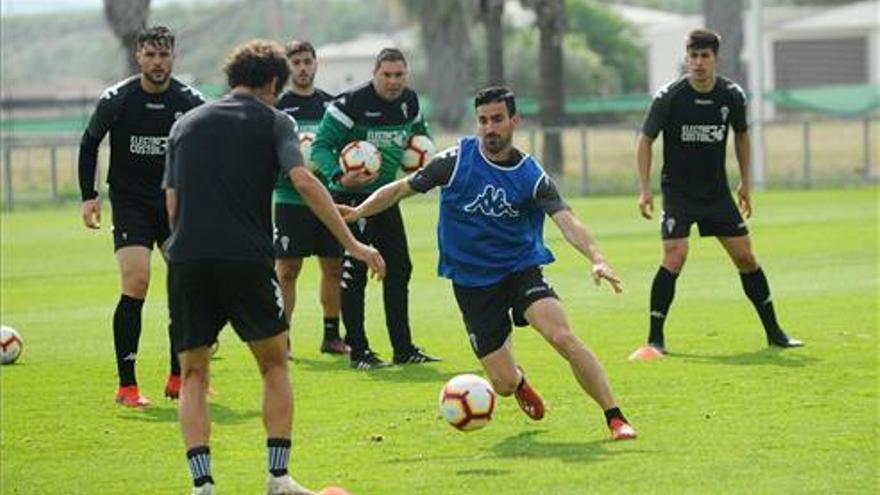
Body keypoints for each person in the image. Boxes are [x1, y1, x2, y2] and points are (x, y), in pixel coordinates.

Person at [340, 86, 638, 441]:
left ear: (515, 121)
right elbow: (400, 189)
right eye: (483, 120)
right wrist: (358, 211)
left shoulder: (530, 175)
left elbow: (568, 221)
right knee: (504, 383)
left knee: (562, 336)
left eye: (497, 119)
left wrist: (598, 260)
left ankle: (615, 417)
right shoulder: (454, 161)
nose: (489, 128)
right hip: (472, 284)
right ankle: (520, 379)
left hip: (520, 269)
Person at [163, 40, 385, 495]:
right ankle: (278, 477)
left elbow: (172, 201)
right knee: (275, 363)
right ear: (271, 83)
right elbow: (303, 180)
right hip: (244, 258)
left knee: (193, 374)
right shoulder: (274, 120)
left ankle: (202, 485)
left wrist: (185, 247)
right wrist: (353, 242)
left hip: (186, 258)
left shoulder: (185, 123)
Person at [633, 28, 803, 359]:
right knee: (674, 257)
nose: (698, 63)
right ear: (687, 58)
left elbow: (741, 136)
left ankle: (775, 333)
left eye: (704, 56)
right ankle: (655, 339)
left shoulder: (732, 95)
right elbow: (645, 140)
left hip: (716, 193)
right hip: (679, 193)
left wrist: (745, 183)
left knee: (746, 258)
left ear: (715, 59)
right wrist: (644, 188)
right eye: (693, 56)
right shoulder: (669, 96)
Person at [78, 25, 204, 407]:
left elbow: (208, 148)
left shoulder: (191, 100)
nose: (157, 62)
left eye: (164, 55)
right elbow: (89, 143)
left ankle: (177, 377)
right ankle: (127, 386)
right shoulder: (117, 99)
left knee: (186, 287)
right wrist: (89, 196)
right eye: (150, 55)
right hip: (131, 204)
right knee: (137, 281)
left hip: (174, 205)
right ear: (139, 57)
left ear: (173, 58)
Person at [312, 47, 439, 369]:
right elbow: (321, 146)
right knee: (354, 274)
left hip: (386, 199)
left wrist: (420, 157)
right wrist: (339, 175)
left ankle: (403, 348)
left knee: (400, 269)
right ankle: (359, 351)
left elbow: (420, 137)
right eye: (387, 75)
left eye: (399, 75)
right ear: (374, 73)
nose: (393, 81)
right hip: (350, 201)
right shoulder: (351, 104)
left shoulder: (410, 102)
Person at [273, 40, 348, 356]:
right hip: (290, 200)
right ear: (288, 67)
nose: (302, 68)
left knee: (333, 267)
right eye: (296, 62)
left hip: (327, 199)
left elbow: (345, 149)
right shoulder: (277, 107)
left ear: (316, 64)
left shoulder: (334, 106)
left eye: (307, 61)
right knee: (288, 269)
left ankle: (332, 335)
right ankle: (283, 337)